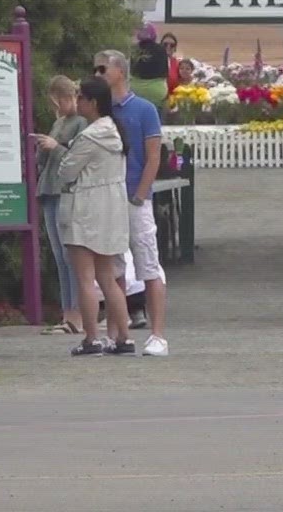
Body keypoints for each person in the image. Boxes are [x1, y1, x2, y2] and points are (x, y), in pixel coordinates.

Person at [97, 48, 171, 357]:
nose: (98, 75)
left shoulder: (143, 109)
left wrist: (141, 194)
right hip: (109, 198)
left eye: (103, 69)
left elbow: (153, 154)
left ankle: (157, 335)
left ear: (120, 72)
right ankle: (116, 333)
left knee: (147, 264)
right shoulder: (102, 112)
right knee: (113, 267)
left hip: (134, 197)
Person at [60, 77, 135, 355]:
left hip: (87, 206)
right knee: (108, 275)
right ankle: (123, 337)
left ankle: (91, 338)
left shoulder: (90, 136)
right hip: (113, 207)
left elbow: (66, 170)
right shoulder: (116, 131)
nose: (77, 101)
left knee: (84, 276)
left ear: (92, 103)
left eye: (80, 97)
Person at [31, 76, 86, 336]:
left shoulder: (81, 123)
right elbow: (46, 159)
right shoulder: (58, 122)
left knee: (70, 255)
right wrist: (42, 148)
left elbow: (77, 159)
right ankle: (67, 313)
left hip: (66, 192)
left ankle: (78, 314)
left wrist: (55, 147)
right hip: (49, 190)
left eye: (62, 100)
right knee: (59, 257)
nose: (59, 106)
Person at [129, 26, 169, 107]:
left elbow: (131, 71)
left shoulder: (134, 49)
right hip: (157, 91)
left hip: (135, 91)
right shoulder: (161, 49)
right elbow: (165, 72)